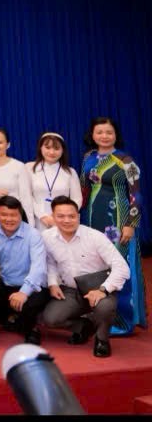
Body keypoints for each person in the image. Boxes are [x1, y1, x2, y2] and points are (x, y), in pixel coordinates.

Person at [79, 116, 146, 335]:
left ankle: (123, 320)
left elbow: (136, 195)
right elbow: (83, 191)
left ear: (116, 135)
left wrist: (131, 224)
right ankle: (97, 313)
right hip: (91, 219)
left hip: (118, 221)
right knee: (95, 265)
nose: (104, 136)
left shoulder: (126, 160)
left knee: (118, 265)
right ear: (92, 135)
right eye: (99, 132)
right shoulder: (88, 158)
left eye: (109, 132)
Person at [42, 195, 130, 357]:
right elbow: (50, 262)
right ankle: (84, 326)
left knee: (104, 308)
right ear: (53, 217)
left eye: (71, 216)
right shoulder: (47, 237)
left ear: (78, 216)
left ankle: (102, 339)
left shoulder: (95, 237)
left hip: (98, 288)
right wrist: (52, 283)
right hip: (70, 291)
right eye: (61, 216)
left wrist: (103, 290)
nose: (66, 220)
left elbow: (122, 267)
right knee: (50, 319)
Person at [0, 195, 50, 345]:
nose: (9, 219)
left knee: (31, 305)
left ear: (21, 215)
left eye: (14, 215)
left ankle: (31, 328)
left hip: (30, 285)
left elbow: (38, 268)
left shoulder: (33, 234)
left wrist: (23, 292)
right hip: (4, 284)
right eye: (4, 215)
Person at [0, 128, 36, 226]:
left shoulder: (19, 166)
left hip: (14, 213)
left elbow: (26, 197)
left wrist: (30, 224)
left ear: (8, 145)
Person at [28, 132, 81, 232]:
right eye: (47, 147)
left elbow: (77, 199)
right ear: (40, 148)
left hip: (64, 221)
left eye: (56, 148)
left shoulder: (70, 172)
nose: (52, 152)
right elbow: (27, 196)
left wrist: (65, 215)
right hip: (36, 219)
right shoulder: (29, 168)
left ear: (62, 151)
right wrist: (43, 216)